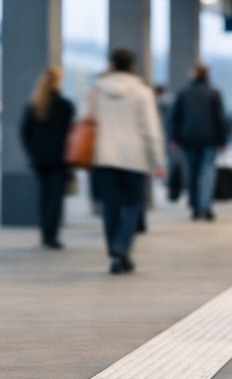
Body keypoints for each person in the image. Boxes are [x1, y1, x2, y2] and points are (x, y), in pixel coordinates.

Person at [84, 49, 165, 274]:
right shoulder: (142, 92)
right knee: (133, 204)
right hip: (134, 158)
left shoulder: (97, 89)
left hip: (104, 156)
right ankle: (122, 247)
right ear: (133, 65)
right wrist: (158, 160)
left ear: (111, 64)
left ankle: (115, 253)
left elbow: (85, 120)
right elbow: (151, 129)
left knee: (110, 206)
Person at [19, 67, 75, 248]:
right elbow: (70, 134)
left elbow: (25, 132)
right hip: (59, 159)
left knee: (44, 195)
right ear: (59, 81)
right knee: (56, 197)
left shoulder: (34, 104)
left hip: (39, 159)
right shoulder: (65, 105)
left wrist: (33, 151)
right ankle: (51, 234)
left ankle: (45, 233)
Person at [171, 62, 229, 221]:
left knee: (192, 173)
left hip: (188, 139)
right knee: (208, 172)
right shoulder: (213, 93)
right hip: (210, 139)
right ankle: (206, 207)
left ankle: (195, 206)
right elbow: (221, 119)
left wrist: (174, 139)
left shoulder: (183, 93)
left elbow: (175, 118)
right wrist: (223, 140)